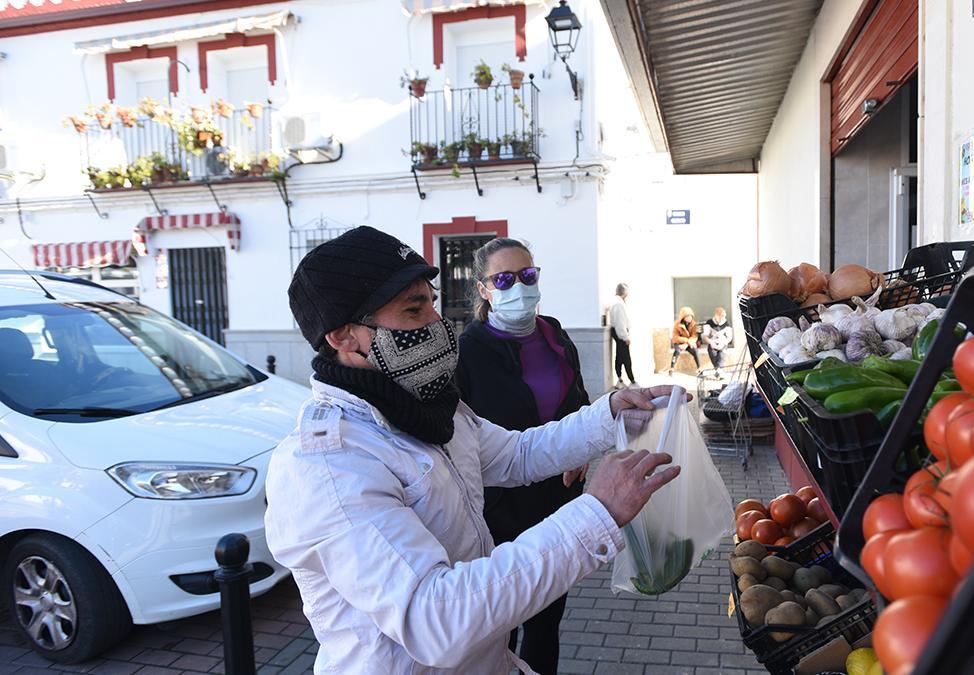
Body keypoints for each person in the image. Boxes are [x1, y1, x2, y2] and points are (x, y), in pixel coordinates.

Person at [265, 226, 681, 674]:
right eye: (413, 309)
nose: (436, 323)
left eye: (431, 303)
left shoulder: (427, 407)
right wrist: (596, 514)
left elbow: (517, 454)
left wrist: (609, 415)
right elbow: (433, 618)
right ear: (344, 338)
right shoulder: (329, 465)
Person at [456, 237, 589, 675]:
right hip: (501, 510)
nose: (519, 286)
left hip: (557, 499)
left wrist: (581, 449)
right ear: (483, 289)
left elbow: (578, 401)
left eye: (527, 275)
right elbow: (458, 434)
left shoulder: (554, 334)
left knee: (547, 621)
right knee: (500, 625)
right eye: (505, 278)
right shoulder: (466, 352)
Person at [608, 283, 635, 388]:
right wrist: (625, 337)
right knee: (625, 358)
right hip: (620, 333)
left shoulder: (617, 303)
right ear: (625, 293)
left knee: (619, 356)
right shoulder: (618, 304)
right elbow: (620, 322)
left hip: (618, 332)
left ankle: (620, 379)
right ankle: (632, 380)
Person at [669, 306, 702, 374]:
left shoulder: (694, 324)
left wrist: (687, 344)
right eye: (687, 316)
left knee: (695, 350)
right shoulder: (677, 324)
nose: (690, 318)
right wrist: (686, 341)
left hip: (689, 343)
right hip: (679, 342)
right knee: (677, 351)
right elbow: (675, 337)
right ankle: (672, 368)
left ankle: (699, 368)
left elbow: (694, 336)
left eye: (691, 316)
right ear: (683, 317)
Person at [702, 307, 734, 372]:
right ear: (716, 315)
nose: (721, 318)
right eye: (720, 316)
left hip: (723, 343)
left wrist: (724, 343)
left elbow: (729, 337)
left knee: (722, 355)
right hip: (712, 342)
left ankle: (719, 371)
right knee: (713, 354)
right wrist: (711, 342)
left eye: (723, 316)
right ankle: (718, 370)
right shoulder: (709, 323)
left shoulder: (726, 324)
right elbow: (705, 336)